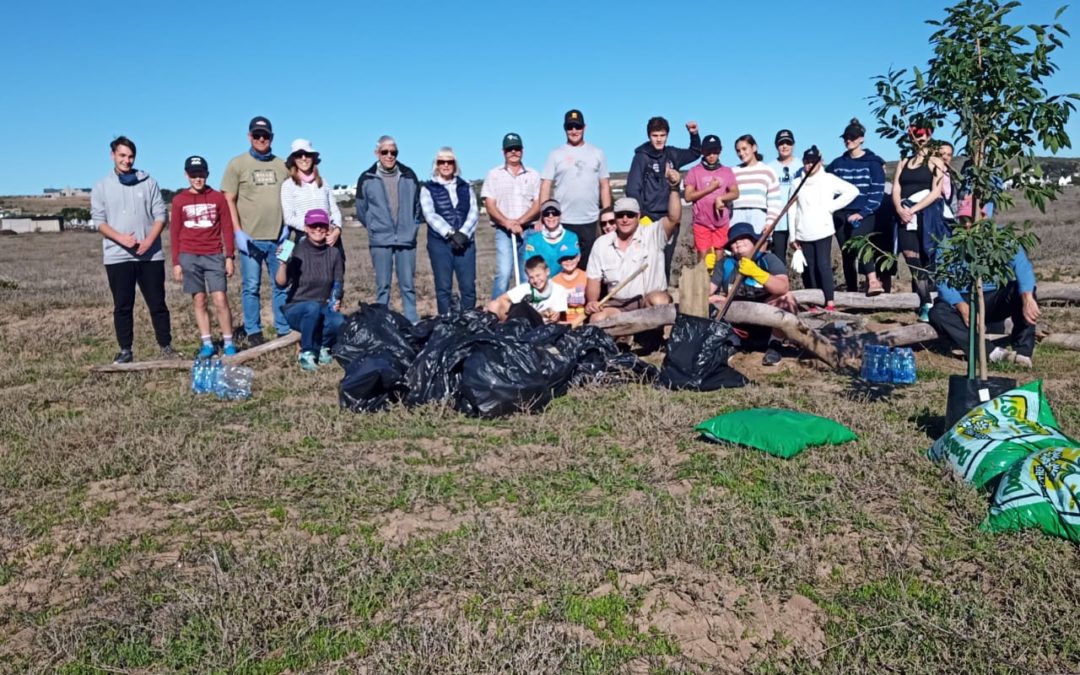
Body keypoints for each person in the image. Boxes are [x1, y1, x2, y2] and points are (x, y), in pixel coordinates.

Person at [91, 136, 179, 364]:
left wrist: (150, 240)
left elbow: (161, 214)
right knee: (122, 305)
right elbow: (99, 221)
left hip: (150, 256)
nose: (126, 161)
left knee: (158, 303)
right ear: (113, 155)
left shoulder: (148, 182)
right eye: (122, 155)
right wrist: (121, 239)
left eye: (130, 156)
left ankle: (166, 346)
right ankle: (125, 350)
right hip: (117, 257)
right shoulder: (101, 187)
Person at [222, 116, 291, 346]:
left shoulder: (282, 165)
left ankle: (283, 328)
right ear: (249, 137)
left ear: (272, 138)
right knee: (251, 287)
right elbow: (229, 199)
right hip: (250, 240)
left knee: (282, 284)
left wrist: (287, 228)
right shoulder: (237, 164)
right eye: (257, 135)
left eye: (266, 136)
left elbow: (292, 197)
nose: (261, 139)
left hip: (281, 238)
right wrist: (238, 232)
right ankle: (253, 331)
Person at [585, 174, 681, 324]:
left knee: (659, 301)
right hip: (618, 304)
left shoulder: (652, 233)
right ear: (615, 217)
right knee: (597, 319)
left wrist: (674, 188)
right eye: (620, 215)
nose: (625, 219)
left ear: (638, 216)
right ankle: (622, 340)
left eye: (630, 215)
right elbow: (594, 280)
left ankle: (651, 339)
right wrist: (592, 302)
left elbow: (674, 218)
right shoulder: (601, 244)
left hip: (646, 301)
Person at [169, 155, 237, 358]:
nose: (197, 179)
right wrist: (176, 262)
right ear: (186, 175)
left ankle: (228, 342)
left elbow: (227, 228)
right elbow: (174, 232)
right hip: (189, 255)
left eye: (200, 174)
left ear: (207, 174)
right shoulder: (179, 200)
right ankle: (207, 342)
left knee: (220, 299)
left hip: (214, 254)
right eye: (193, 175)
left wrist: (229, 257)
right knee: (199, 300)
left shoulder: (218, 198)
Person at [929, 246, 1040, 367]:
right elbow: (942, 282)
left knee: (1022, 291)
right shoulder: (946, 244)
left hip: (995, 296)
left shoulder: (1002, 238)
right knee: (938, 312)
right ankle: (990, 352)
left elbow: (1022, 266)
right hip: (964, 298)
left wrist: (1027, 297)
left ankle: (1022, 352)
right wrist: (960, 304)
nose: (967, 225)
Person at [708, 222, 799, 365]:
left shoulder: (768, 259)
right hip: (736, 321)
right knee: (710, 301)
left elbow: (783, 287)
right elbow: (707, 290)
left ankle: (775, 344)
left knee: (787, 299)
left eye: (743, 237)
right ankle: (731, 343)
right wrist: (704, 272)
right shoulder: (725, 264)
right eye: (733, 241)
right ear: (730, 248)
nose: (738, 242)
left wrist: (757, 273)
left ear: (754, 241)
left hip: (767, 321)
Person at [355, 135, 422, 322]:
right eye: (385, 152)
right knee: (382, 285)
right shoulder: (366, 178)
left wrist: (413, 228)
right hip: (380, 239)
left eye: (393, 152)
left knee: (408, 285)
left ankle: (412, 322)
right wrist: (374, 227)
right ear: (377, 153)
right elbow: (361, 209)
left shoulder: (409, 175)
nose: (389, 155)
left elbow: (418, 207)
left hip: (406, 239)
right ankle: (382, 324)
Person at [626, 117, 702, 280]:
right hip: (648, 218)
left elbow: (695, 152)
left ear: (667, 135)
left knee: (666, 260)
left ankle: (663, 295)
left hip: (670, 218)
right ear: (649, 136)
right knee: (646, 260)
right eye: (655, 135)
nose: (659, 139)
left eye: (662, 135)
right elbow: (633, 189)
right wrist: (640, 216)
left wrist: (694, 134)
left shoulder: (672, 154)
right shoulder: (641, 157)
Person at [790, 146, 859, 312]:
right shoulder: (796, 182)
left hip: (823, 230)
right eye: (806, 162)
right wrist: (793, 235)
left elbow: (852, 191)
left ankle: (830, 302)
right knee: (809, 268)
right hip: (803, 231)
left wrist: (832, 207)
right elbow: (792, 209)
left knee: (823, 265)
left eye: (813, 162)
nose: (809, 165)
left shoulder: (828, 179)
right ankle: (813, 304)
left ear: (820, 162)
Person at [540, 109, 612, 269]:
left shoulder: (597, 153)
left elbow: (604, 185)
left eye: (577, 127)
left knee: (591, 266)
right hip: (564, 220)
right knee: (564, 266)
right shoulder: (555, 154)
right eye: (570, 127)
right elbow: (545, 185)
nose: (574, 131)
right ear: (565, 129)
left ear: (584, 128)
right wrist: (543, 215)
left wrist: (607, 213)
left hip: (591, 220)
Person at [275, 209, 345, 371]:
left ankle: (323, 347)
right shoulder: (296, 251)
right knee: (311, 307)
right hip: (297, 308)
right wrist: (283, 264)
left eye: (322, 225)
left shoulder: (334, 253)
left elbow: (338, 282)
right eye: (313, 225)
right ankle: (306, 352)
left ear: (328, 228)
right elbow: (281, 284)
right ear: (306, 228)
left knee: (339, 320)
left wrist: (336, 299)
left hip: (322, 307)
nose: (318, 229)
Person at [826, 118, 887, 296]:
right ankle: (851, 292)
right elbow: (823, 181)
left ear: (862, 139)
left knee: (860, 240)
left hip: (864, 212)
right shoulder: (837, 164)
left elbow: (877, 193)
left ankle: (873, 280)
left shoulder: (873, 163)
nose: (848, 140)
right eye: (846, 137)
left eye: (852, 137)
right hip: (840, 214)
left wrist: (863, 212)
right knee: (847, 253)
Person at [893, 123, 947, 322]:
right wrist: (900, 209)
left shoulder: (936, 162)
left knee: (928, 257)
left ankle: (936, 301)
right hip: (904, 215)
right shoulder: (903, 162)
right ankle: (926, 300)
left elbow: (936, 191)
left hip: (926, 215)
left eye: (923, 135)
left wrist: (914, 209)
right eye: (916, 135)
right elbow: (896, 188)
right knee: (910, 255)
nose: (920, 138)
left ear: (930, 135)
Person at [419, 147, 479, 315]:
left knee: (468, 286)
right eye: (441, 162)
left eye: (449, 161)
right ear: (436, 165)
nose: (446, 165)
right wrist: (451, 233)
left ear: (455, 164)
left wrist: (464, 234)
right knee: (443, 287)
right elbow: (430, 215)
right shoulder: (427, 189)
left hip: (465, 244)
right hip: (440, 244)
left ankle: (469, 320)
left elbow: (473, 212)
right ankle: (446, 322)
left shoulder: (466, 186)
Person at [481, 132, 541, 298]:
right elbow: (490, 205)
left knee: (527, 274)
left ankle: (526, 311)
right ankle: (496, 313)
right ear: (503, 152)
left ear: (522, 150)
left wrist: (520, 222)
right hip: (504, 232)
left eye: (516, 148)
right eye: (509, 149)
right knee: (504, 273)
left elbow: (538, 204)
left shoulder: (534, 175)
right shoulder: (494, 174)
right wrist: (507, 223)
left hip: (528, 231)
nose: (513, 152)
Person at [684, 134, 739, 270]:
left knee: (719, 257)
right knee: (703, 258)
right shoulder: (694, 172)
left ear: (720, 151)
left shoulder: (727, 172)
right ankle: (702, 288)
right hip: (701, 223)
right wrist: (710, 188)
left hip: (721, 223)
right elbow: (688, 196)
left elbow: (735, 192)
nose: (712, 155)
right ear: (703, 152)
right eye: (708, 152)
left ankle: (717, 288)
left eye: (715, 151)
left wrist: (721, 198)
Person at [280, 138, 343, 245]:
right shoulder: (288, 185)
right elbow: (289, 218)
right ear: (294, 160)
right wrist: (312, 228)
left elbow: (334, 210)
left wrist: (336, 229)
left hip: (329, 238)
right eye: (299, 155)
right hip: (304, 239)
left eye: (307, 154)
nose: (303, 158)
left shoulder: (323, 182)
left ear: (313, 158)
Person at [485, 255, 569, 324]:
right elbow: (502, 299)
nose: (536, 280)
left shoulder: (559, 290)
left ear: (547, 272)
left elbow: (559, 315)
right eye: (531, 277)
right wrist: (511, 316)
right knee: (494, 305)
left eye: (538, 275)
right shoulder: (526, 288)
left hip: (544, 327)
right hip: (523, 325)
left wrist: (555, 316)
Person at [731, 134, 781, 236]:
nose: (741, 153)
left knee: (758, 250)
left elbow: (774, 202)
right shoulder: (732, 172)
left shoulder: (767, 171)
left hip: (759, 217)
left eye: (744, 149)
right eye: (738, 150)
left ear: (754, 148)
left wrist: (770, 223)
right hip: (736, 216)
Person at [523, 199, 580, 276]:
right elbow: (531, 267)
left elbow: (575, 261)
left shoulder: (572, 237)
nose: (551, 216)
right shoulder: (533, 240)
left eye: (554, 212)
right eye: (547, 213)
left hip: (564, 282)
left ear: (560, 215)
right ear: (542, 217)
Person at [768, 129, 799, 258]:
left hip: (798, 220)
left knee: (803, 259)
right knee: (778, 259)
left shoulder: (802, 165)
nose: (785, 146)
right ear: (776, 146)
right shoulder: (769, 167)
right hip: (778, 222)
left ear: (793, 145)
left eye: (788, 143)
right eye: (781, 143)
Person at [551, 242, 587, 322]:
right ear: (559, 261)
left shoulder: (586, 276)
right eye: (564, 258)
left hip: (583, 322)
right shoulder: (554, 281)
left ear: (578, 257)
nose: (568, 261)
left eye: (572, 257)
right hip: (563, 323)